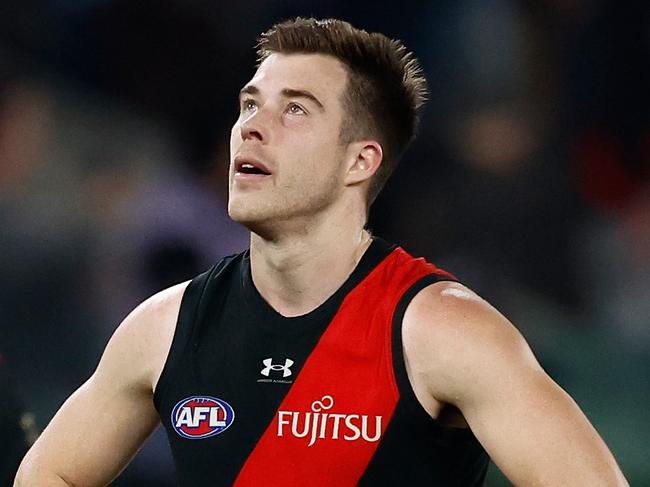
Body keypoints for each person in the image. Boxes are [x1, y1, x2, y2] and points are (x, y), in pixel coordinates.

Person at [15, 17, 628, 486]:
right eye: (250, 104)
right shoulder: (166, 327)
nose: (252, 126)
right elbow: (51, 474)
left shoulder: (442, 331)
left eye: (295, 111)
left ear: (360, 160)